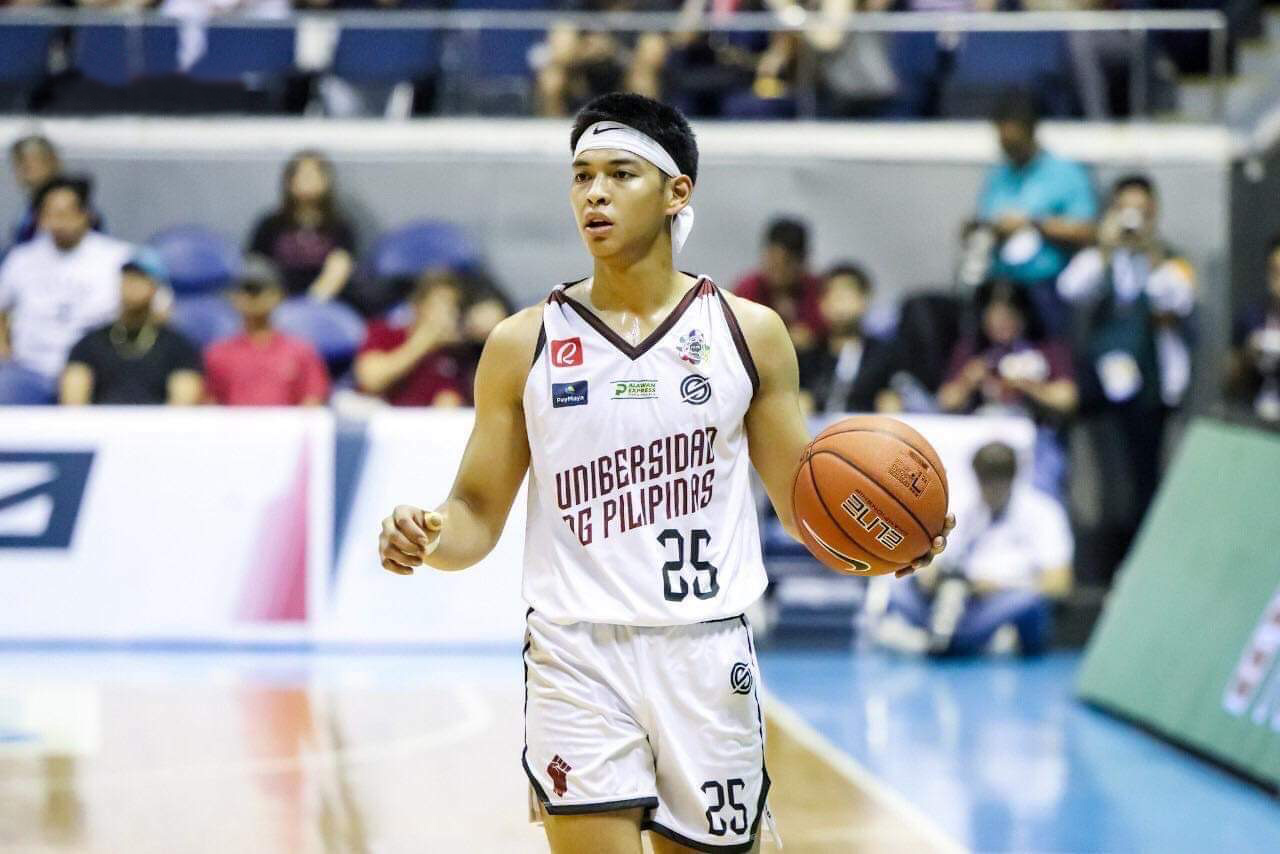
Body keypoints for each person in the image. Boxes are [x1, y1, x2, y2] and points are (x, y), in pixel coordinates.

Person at [376, 92, 952, 854]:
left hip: (706, 655)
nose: (595, 193)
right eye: (582, 175)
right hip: (575, 655)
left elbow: (803, 506)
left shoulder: (749, 333)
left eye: (620, 174)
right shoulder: (522, 345)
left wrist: (885, 540)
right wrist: (429, 535)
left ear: (678, 191)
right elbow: (476, 515)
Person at [1056, 173, 1195, 581]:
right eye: (1124, 210)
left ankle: (1146, 565)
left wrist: (1151, 252)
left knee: (1145, 477)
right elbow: (1070, 289)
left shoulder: (1170, 259)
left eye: (1142, 211)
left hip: (1150, 387)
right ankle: (1104, 565)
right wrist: (1106, 247)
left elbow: (1178, 298)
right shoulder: (1100, 258)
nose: (1133, 219)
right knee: (1105, 479)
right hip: (1103, 386)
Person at [883, 441, 1072, 657]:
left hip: (1001, 600)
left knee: (1028, 599)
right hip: (956, 596)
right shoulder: (962, 507)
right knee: (898, 583)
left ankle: (950, 639)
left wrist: (997, 586)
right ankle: (956, 637)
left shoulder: (1044, 512)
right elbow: (939, 559)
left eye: (998, 479)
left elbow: (1059, 584)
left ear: (1013, 477)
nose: (991, 488)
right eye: (985, 479)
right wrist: (929, 573)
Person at [937, 279, 1077, 494]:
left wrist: (1026, 384)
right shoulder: (973, 350)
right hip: (982, 435)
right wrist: (969, 380)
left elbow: (1067, 398)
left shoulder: (1046, 349)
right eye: (994, 315)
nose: (1002, 322)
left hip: (1034, 437)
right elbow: (946, 400)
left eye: (1009, 315)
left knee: (1043, 481)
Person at [0, 177, 131, 404]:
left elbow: (155, 309)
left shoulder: (118, 258)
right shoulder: (21, 259)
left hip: (97, 368)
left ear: (86, 214)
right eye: (52, 213)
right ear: (40, 218)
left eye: (67, 213)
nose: (60, 221)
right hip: (30, 367)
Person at [975, 89, 1097, 330]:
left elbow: (1087, 231)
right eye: (1004, 144)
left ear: (1030, 132)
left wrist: (1033, 224)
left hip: (1047, 286)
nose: (1009, 150)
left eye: (1014, 143)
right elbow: (986, 218)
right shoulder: (998, 175)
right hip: (1002, 284)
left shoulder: (1065, 174)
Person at [60, 249, 203, 406]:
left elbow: (182, 407)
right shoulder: (90, 344)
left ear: (156, 289)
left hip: (157, 420)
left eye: (141, 279)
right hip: (102, 420)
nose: (132, 285)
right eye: (128, 278)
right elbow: (73, 405)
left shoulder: (177, 346)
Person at [204, 255, 331, 406]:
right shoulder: (219, 353)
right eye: (244, 289)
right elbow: (211, 403)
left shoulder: (300, 351)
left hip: (287, 421)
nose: (250, 297)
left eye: (257, 290)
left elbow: (313, 399)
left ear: (277, 295)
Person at [247, 150, 357, 301]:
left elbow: (343, 265)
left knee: (340, 264)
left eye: (313, 174)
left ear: (326, 180)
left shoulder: (340, 225)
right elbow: (255, 264)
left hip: (325, 299)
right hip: (278, 298)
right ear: (289, 180)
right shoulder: (270, 224)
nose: (307, 181)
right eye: (302, 174)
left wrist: (311, 302)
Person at [353, 270, 473, 407]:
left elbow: (449, 404)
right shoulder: (385, 332)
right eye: (443, 304)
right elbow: (371, 380)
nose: (451, 313)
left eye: (456, 306)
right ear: (418, 306)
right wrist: (424, 341)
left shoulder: (456, 355)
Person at [797, 262, 898, 414]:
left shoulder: (883, 355)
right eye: (833, 295)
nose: (840, 302)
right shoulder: (809, 356)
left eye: (847, 294)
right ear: (821, 303)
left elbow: (893, 398)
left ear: (864, 299)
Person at [732, 216, 825, 356]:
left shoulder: (815, 290)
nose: (777, 271)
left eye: (786, 263)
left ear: (801, 262)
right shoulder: (748, 289)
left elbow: (818, 332)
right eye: (773, 261)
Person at [1227, 235, 1280, 422]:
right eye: (1275, 272)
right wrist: (1247, 356)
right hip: (1254, 415)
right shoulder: (1251, 317)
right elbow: (1228, 383)